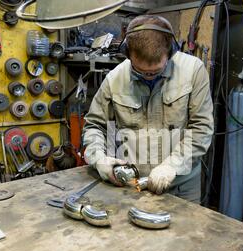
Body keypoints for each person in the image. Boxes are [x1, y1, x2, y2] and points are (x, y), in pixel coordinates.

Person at [82, 15, 214, 203]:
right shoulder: (115, 79)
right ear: (128, 54)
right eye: (141, 71)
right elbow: (95, 126)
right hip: (132, 184)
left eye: (156, 72)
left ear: (171, 52)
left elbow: (202, 127)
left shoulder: (193, 71)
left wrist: (172, 166)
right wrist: (99, 159)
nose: (149, 76)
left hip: (182, 184)